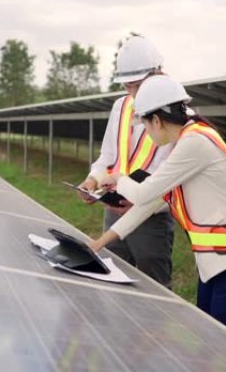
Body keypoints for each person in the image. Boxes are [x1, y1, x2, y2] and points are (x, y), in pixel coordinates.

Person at [89, 75, 226, 336]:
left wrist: (119, 178)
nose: (147, 135)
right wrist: (99, 242)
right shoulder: (184, 143)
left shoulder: (195, 143)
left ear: (157, 120)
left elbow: (141, 194)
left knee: (223, 345)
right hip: (215, 259)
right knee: (209, 339)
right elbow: (150, 202)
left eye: (145, 126)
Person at [77, 36, 175, 288]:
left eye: (137, 85)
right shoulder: (121, 107)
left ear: (158, 74)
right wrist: (93, 179)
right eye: (127, 86)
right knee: (111, 276)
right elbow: (108, 156)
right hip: (114, 211)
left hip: (150, 218)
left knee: (154, 288)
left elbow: (173, 177)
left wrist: (140, 199)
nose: (132, 93)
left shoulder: (176, 115)